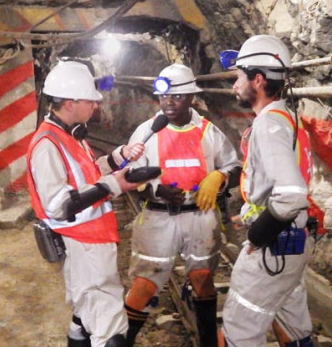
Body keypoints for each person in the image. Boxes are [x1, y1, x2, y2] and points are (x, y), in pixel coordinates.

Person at [26, 60, 146, 347]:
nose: (96, 105)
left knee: (84, 316)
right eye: (90, 100)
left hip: (91, 240)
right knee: (109, 328)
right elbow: (59, 205)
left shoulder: (69, 135)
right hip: (84, 244)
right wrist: (116, 184)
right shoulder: (47, 145)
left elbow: (86, 175)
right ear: (69, 103)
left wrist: (119, 157)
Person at [124, 63, 241, 347]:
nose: (169, 102)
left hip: (200, 217)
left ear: (191, 98)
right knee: (145, 284)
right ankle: (122, 341)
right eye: (164, 97)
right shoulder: (146, 132)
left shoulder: (207, 131)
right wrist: (154, 190)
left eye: (176, 97)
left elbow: (235, 167)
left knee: (202, 279)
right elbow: (128, 177)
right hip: (158, 218)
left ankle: (208, 341)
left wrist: (220, 176)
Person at [218, 35, 315, 347]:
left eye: (239, 77)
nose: (235, 85)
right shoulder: (288, 117)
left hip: (273, 246)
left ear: (257, 80)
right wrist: (250, 212)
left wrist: (258, 235)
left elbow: (290, 194)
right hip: (294, 242)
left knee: (237, 333)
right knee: (293, 324)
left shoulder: (269, 124)